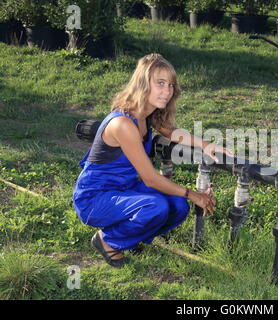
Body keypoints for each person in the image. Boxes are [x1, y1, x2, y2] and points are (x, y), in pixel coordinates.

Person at [73, 53, 233, 268]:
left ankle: (129, 238)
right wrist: (193, 194)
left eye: (170, 85)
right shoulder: (123, 123)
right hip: (95, 198)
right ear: (142, 83)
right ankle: (107, 240)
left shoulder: (145, 115)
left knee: (178, 206)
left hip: (125, 190)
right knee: (155, 206)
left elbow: (170, 132)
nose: (167, 91)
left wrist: (206, 145)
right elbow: (150, 179)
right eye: (160, 83)